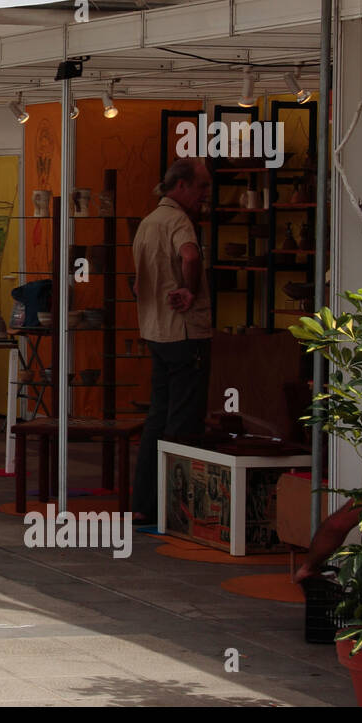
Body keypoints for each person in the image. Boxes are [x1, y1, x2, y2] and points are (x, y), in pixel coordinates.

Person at [130, 158, 213, 524]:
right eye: (201, 187)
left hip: (155, 331)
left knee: (157, 417)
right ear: (181, 186)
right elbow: (190, 255)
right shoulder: (179, 221)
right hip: (183, 332)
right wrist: (189, 290)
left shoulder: (148, 223)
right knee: (183, 419)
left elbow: (136, 283)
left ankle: (144, 503)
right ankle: (176, 506)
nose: (204, 195)